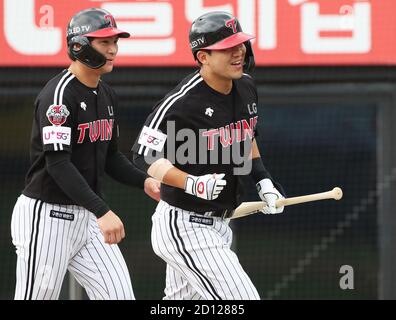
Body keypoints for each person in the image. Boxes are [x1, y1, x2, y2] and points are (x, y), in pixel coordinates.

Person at [132, 11, 285, 300]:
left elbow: (245, 136)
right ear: (203, 56)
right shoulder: (182, 102)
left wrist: (264, 181)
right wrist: (192, 183)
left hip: (220, 225)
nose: (238, 51)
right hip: (185, 225)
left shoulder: (246, 86)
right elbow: (144, 156)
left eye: (240, 44)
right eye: (227, 47)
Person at [10, 8, 160, 300]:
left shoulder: (105, 94)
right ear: (79, 45)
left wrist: (145, 181)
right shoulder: (58, 96)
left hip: (87, 215)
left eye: (115, 42)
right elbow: (58, 164)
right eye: (104, 42)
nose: (113, 49)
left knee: (120, 296)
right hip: (47, 214)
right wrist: (102, 210)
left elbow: (111, 157)